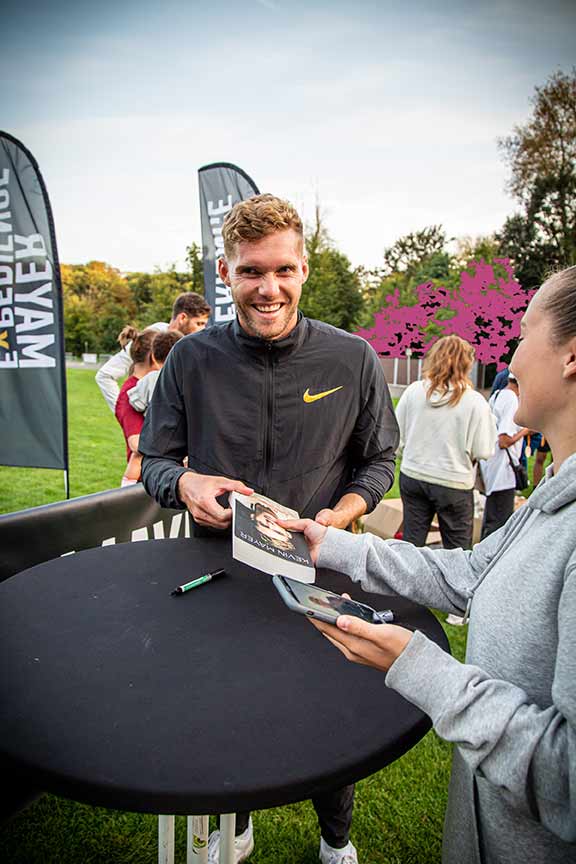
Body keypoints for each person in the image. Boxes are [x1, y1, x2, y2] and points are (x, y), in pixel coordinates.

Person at [284, 265, 576, 864]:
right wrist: (330, 544)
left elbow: (567, 780)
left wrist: (416, 665)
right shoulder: (553, 496)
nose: (512, 356)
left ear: (571, 356)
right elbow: (469, 574)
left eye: (523, 332)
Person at [139, 193, 400, 864]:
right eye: (252, 271)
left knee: (329, 711)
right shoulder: (190, 360)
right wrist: (183, 484)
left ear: (304, 269)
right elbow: (158, 462)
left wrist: (344, 511)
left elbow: (379, 459)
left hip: (319, 568)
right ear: (225, 274)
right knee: (227, 710)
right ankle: (238, 815)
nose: (269, 287)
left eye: (283, 270)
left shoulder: (352, 358)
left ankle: (335, 839)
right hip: (218, 571)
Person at [395, 334, 496, 552]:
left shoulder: (414, 391)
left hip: (414, 474)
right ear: (467, 364)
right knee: (457, 552)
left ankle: (404, 583)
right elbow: (484, 449)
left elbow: (396, 435)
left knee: (411, 546)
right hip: (454, 481)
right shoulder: (475, 402)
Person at [95, 292, 211, 412]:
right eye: (199, 324)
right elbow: (105, 375)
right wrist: (126, 415)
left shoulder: (194, 346)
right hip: (148, 426)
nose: (202, 330)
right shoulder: (151, 337)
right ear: (182, 318)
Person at [479, 374, 530, 538]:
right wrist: (525, 431)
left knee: (491, 516)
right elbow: (504, 440)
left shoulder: (498, 395)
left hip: (492, 465)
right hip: (503, 469)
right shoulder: (512, 401)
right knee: (499, 521)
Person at [115, 329, 157, 486]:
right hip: (144, 482)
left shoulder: (154, 386)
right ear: (154, 358)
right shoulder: (130, 392)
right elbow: (136, 443)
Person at [127, 329, 184, 414]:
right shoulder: (188, 380)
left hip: (155, 425)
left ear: (153, 356)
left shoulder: (150, 379)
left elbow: (136, 403)